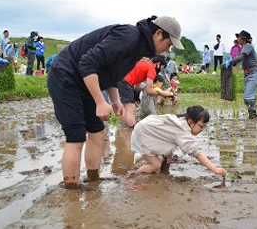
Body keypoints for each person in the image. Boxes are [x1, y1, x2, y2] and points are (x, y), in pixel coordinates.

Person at [47, 15, 184, 188]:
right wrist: (99, 101)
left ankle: (93, 181)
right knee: (76, 136)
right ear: (158, 34)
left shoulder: (138, 49)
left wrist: (115, 100)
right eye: (169, 44)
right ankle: (71, 190)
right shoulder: (129, 37)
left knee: (97, 132)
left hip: (86, 81)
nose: (166, 51)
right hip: (66, 76)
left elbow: (109, 73)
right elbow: (87, 63)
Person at [131, 105, 227, 176]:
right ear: (191, 122)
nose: (202, 130)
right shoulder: (181, 131)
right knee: (156, 165)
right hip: (141, 134)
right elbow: (197, 153)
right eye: (202, 127)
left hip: (147, 128)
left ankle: (158, 167)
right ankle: (135, 174)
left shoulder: (181, 120)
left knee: (168, 154)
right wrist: (215, 169)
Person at [117, 55, 168, 128]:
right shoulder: (151, 69)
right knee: (131, 107)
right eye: (162, 67)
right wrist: (163, 93)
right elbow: (149, 90)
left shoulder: (145, 64)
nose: (161, 70)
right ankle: (132, 129)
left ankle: (124, 128)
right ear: (158, 64)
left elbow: (137, 87)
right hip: (125, 81)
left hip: (121, 78)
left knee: (126, 107)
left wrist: (145, 89)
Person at [223, 30, 257, 119]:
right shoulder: (243, 48)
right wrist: (231, 63)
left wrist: (231, 61)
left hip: (253, 74)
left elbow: (241, 57)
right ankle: (253, 117)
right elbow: (239, 59)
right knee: (250, 97)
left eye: (239, 37)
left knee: (248, 97)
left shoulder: (248, 46)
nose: (237, 39)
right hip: (248, 74)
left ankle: (253, 116)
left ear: (244, 39)